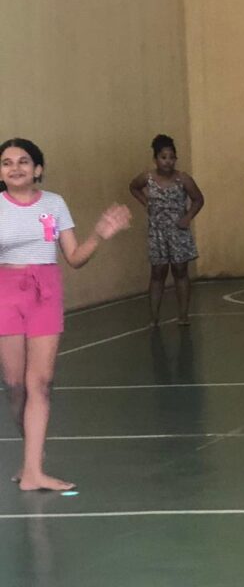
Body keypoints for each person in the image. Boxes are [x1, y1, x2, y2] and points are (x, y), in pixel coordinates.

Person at [0, 138, 131, 491]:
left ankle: (33, 471)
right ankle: (31, 457)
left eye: (23, 161)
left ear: (37, 169)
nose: (15, 168)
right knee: (15, 387)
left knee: (39, 383)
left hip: (45, 292)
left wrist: (100, 234)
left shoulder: (54, 204)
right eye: (7, 162)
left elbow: (75, 258)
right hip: (6, 293)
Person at [129, 134, 204, 327]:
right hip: (157, 232)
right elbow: (134, 187)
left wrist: (188, 217)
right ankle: (154, 317)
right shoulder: (147, 177)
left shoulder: (183, 179)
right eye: (163, 157)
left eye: (171, 157)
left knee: (180, 270)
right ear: (155, 159)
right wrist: (146, 203)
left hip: (178, 231)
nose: (168, 161)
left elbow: (198, 199)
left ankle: (183, 315)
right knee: (158, 272)